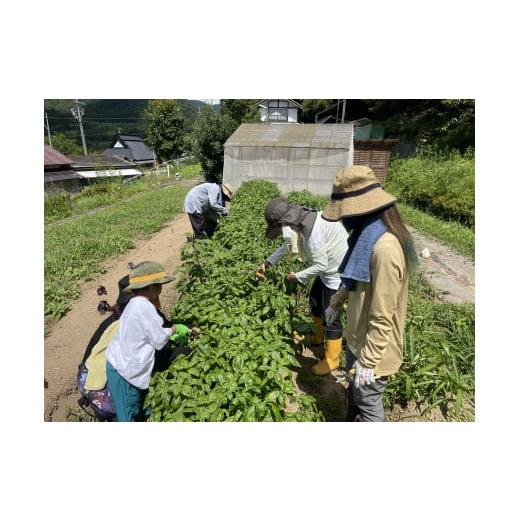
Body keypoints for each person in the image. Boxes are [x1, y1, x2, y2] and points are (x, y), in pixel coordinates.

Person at [323, 165, 417, 422]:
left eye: (345, 213)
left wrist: (368, 362)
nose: (343, 220)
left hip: (373, 350)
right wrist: (336, 301)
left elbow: (383, 316)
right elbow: (353, 278)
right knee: (355, 396)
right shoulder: (366, 238)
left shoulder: (384, 249)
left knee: (368, 405)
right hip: (357, 339)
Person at [257, 198, 348, 376]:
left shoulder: (314, 234)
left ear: (285, 222)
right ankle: (316, 337)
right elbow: (287, 245)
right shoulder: (303, 220)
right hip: (327, 270)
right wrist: (268, 262)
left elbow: (320, 265)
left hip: (336, 274)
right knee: (315, 300)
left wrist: (297, 276)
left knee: (331, 315)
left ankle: (332, 360)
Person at [105, 261, 196, 421]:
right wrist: (174, 330)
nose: (161, 288)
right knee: (128, 414)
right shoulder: (145, 307)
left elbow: (150, 332)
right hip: (125, 372)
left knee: (137, 405)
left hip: (123, 364)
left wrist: (173, 330)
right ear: (150, 287)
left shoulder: (134, 303)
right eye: (159, 285)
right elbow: (159, 340)